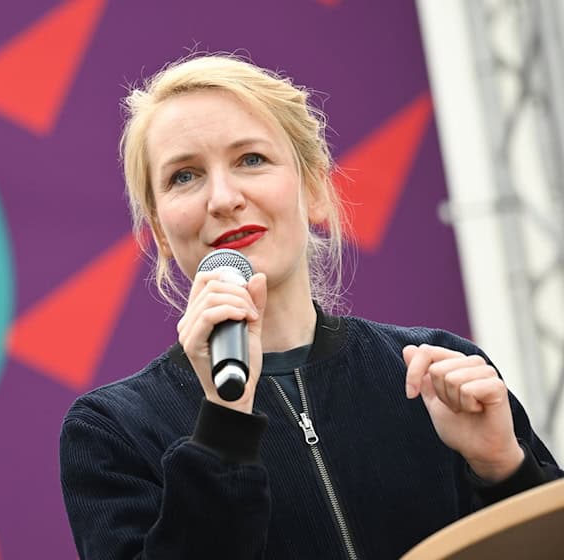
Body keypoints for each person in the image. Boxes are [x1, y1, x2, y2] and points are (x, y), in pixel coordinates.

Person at [58, 53, 562, 559]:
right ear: (160, 233)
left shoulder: (434, 369)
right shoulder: (112, 429)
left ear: (315, 188)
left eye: (251, 159)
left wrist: (505, 469)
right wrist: (222, 429)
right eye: (184, 176)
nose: (224, 197)